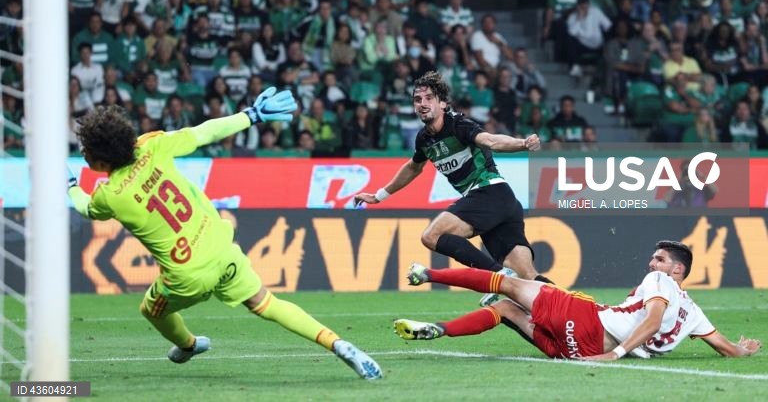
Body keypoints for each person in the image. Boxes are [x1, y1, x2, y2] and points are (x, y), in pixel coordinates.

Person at [67, 90, 382, 379]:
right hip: (221, 248)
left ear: (101, 161)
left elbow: (85, 207)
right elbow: (206, 131)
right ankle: (336, 343)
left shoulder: (110, 195)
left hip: (186, 275)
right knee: (267, 303)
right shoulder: (152, 145)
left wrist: (69, 186)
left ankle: (189, 345)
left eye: (86, 151)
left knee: (151, 310)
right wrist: (251, 116)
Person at [354, 71, 552, 306]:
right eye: (417, 99)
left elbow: (490, 141)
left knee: (432, 236)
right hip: (501, 202)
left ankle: (496, 277)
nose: (422, 103)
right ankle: (577, 311)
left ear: (443, 103)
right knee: (528, 277)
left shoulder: (458, 125)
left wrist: (523, 143)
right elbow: (413, 168)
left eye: (429, 98)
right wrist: (379, 196)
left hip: (489, 192)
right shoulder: (424, 139)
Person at [393, 241, 762, 361]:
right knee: (505, 310)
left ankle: (427, 274)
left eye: (660, 259)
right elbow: (725, 348)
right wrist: (744, 350)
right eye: (653, 259)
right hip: (574, 351)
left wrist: (615, 354)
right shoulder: (693, 312)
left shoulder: (661, 282)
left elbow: (652, 320)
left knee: (507, 285)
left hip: (589, 322)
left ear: (677, 269)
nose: (652, 264)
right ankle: (437, 329)